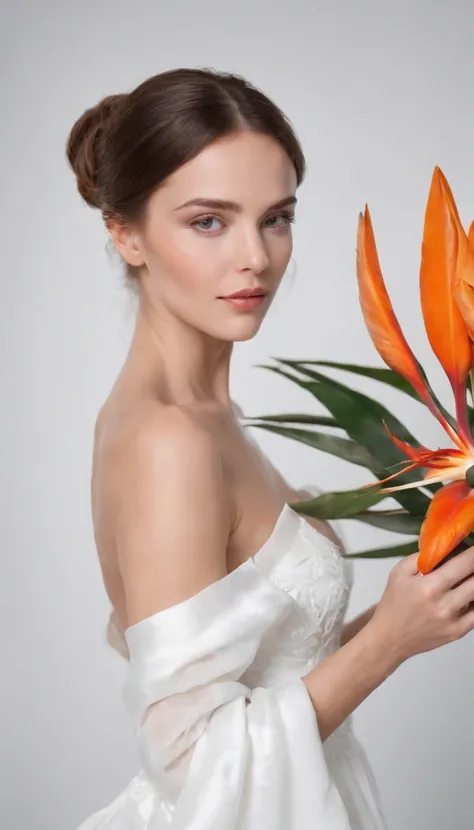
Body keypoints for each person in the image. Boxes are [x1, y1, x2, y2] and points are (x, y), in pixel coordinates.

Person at [66, 67, 474, 830]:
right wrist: (387, 643)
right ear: (126, 233)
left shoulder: (211, 413)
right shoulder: (169, 440)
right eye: (209, 221)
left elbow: (263, 676)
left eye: (276, 217)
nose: (255, 257)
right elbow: (188, 760)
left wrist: (413, 608)